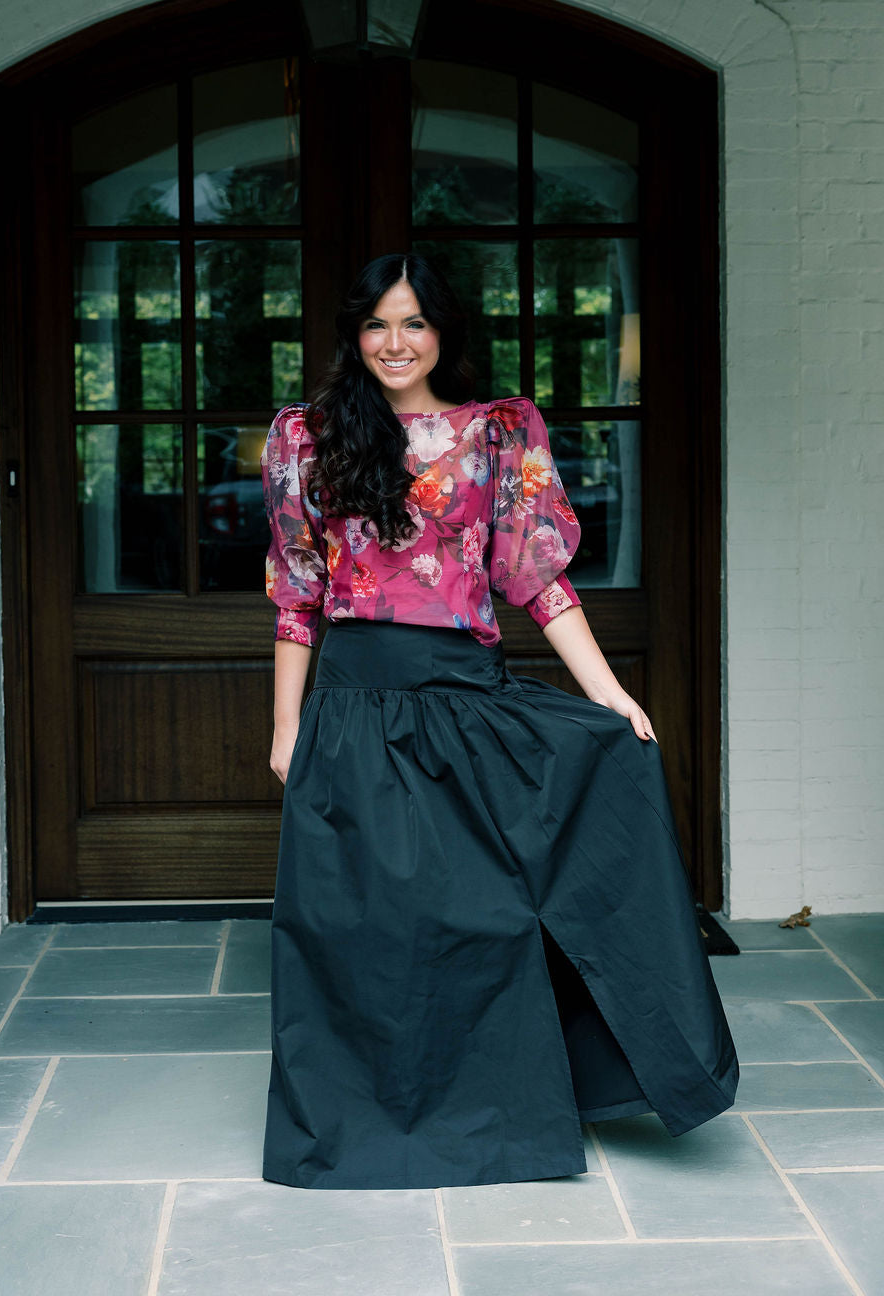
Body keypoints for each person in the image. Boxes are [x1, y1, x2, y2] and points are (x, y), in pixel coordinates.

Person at [259, 251, 738, 1191]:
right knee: (361, 928)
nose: (396, 344)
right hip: (355, 708)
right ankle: (368, 1125)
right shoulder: (305, 439)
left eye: (415, 323)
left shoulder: (495, 434)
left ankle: (516, 1114)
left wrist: (608, 692)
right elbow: (296, 597)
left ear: (443, 334)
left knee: (492, 910)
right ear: (355, 336)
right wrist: (287, 728)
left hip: (467, 701)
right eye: (378, 324)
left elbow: (536, 580)